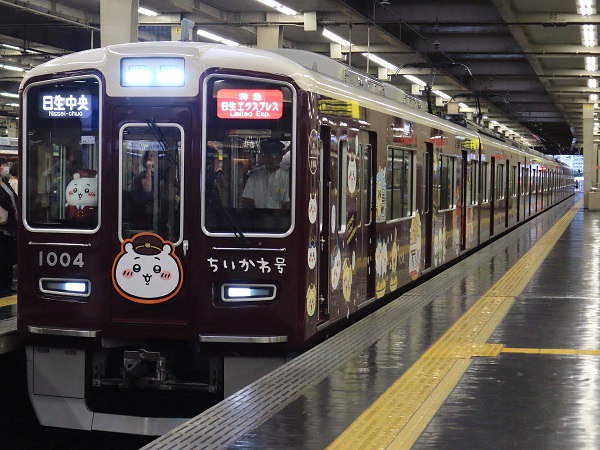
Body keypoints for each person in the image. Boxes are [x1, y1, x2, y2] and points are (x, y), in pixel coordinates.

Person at [242, 140, 289, 209]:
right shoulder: (254, 177)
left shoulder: (287, 178)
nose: (270, 159)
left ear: (280, 158)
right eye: (267, 156)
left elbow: (287, 204)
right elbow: (247, 202)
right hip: (258, 217)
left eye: (274, 155)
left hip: (280, 218)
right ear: (263, 158)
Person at [0, 157, 17, 295]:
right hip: (2, 225)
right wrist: (14, 211)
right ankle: (2, 286)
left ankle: (8, 284)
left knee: (9, 257)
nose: (6, 167)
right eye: (4, 164)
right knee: (2, 257)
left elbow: (13, 198)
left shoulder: (6, 182)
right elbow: (4, 201)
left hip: (10, 224)